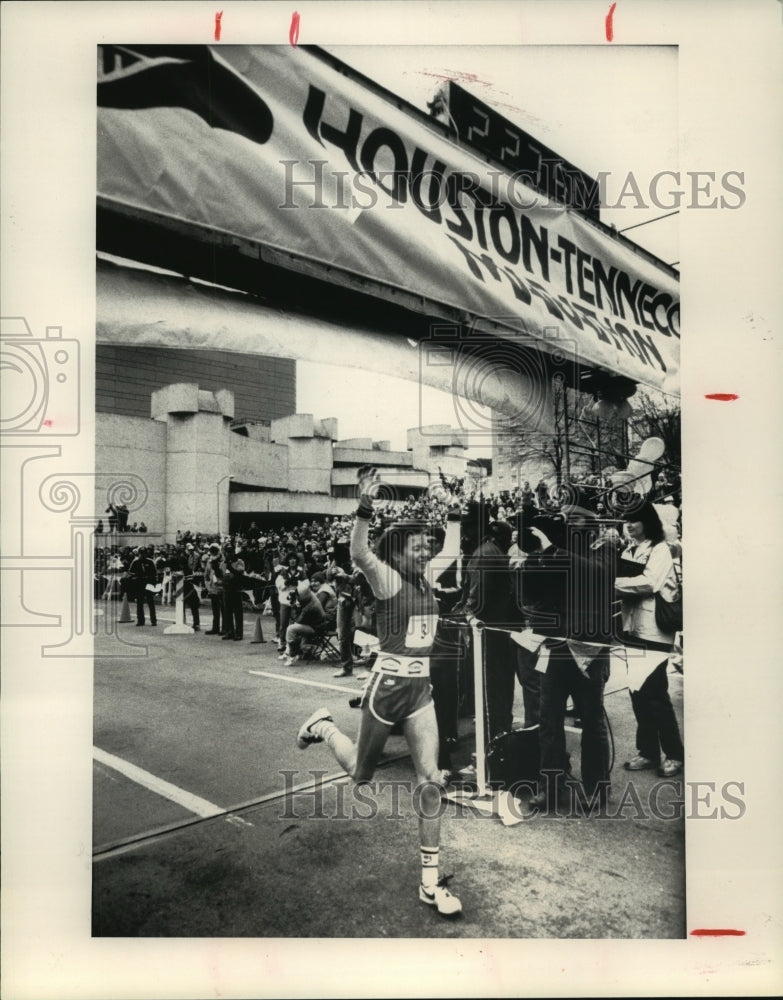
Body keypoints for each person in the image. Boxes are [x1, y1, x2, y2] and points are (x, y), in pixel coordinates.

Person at [296, 469, 463, 917]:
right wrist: (366, 506)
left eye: (429, 543)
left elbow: (450, 537)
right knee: (361, 777)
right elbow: (358, 551)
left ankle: (430, 881)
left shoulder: (429, 579)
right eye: (418, 544)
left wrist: (440, 497)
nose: (427, 548)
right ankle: (325, 726)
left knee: (431, 780)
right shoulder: (387, 579)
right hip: (387, 690)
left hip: (420, 693)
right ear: (399, 549)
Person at [519, 506, 615, 812]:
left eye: (573, 524)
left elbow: (596, 575)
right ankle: (550, 785)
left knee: (591, 720)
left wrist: (551, 551)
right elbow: (528, 596)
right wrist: (530, 558)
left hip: (589, 653)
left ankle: (595, 787)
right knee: (548, 718)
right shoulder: (552, 556)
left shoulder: (603, 552)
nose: (566, 528)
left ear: (588, 530)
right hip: (554, 648)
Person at [615, 500, 684, 778]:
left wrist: (612, 582)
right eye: (626, 520)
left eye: (635, 519)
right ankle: (648, 752)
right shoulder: (630, 548)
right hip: (633, 628)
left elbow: (649, 582)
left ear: (648, 522)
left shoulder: (660, 549)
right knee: (638, 692)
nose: (629, 524)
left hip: (655, 630)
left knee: (655, 694)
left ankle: (675, 755)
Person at [455, 519, 516, 742]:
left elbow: (476, 598)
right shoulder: (495, 551)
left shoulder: (483, 554)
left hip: (486, 631)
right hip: (501, 630)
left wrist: (466, 613)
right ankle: (501, 736)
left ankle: (491, 749)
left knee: (488, 689)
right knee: (501, 686)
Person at [281, 580, 326, 665]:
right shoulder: (311, 596)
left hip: (316, 628)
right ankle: (289, 651)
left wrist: (294, 607)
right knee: (292, 627)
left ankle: (292, 655)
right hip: (315, 624)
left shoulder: (310, 607)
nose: (297, 597)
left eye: (297, 596)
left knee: (291, 629)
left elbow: (298, 620)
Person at [128, 546, 158, 626]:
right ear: (139, 554)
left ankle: (153, 620)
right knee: (140, 603)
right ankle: (141, 620)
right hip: (139, 583)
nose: (142, 555)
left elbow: (154, 574)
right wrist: (136, 576)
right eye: (141, 553)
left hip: (148, 583)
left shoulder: (150, 562)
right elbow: (130, 572)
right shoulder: (135, 562)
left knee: (150, 602)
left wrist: (154, 584)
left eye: (144, 553)